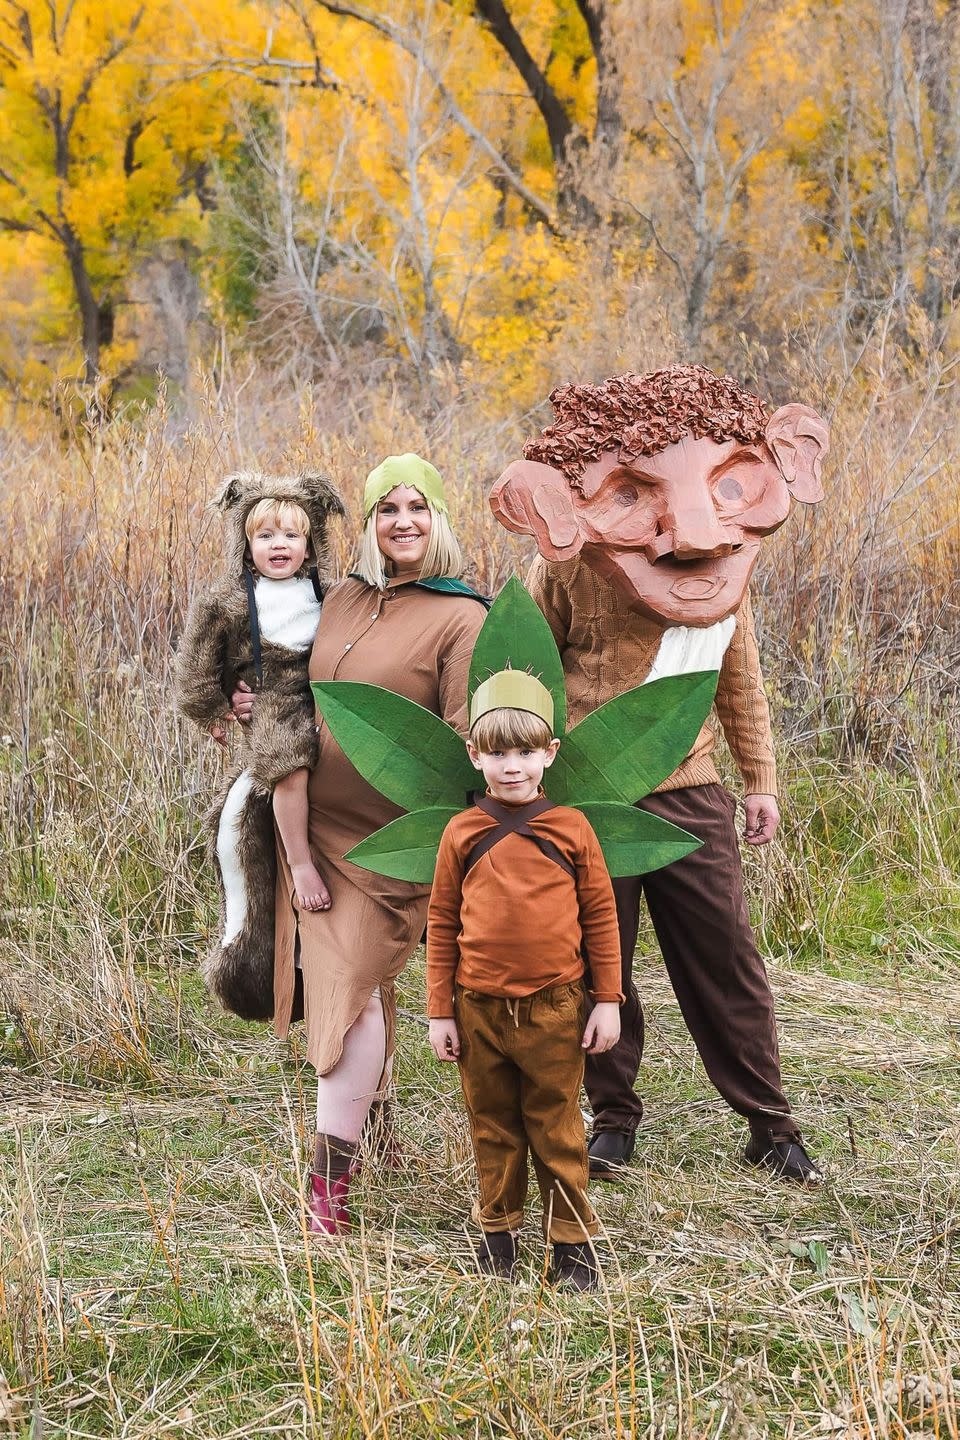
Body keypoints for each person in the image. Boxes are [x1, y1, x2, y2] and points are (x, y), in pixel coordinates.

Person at [490, 366, 829, 1184]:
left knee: (724, 957)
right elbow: (525, 666)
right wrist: (524, 769)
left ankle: (769, 1122)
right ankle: (614, 1117)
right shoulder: (569, 568)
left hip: (690, 792)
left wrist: (761, 781)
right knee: (594, 962)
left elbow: (738, 677)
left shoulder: (729, 569)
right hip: (588, 793)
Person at [230, 453, 487, 1234]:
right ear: (368, 523)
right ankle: (375, 1134)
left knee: (344, 991)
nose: (402, 521)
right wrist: (245, 698)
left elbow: (462, 742)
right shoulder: (338, 597)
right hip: (311, 828)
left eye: (418, 507)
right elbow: (291, 683)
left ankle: (327, 1195)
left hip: (393, 841)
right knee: (355, 985)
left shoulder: (461, 617)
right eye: (386, 508)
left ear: (439, 518)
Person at [426, 672, 623, 1290]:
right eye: (497, 754)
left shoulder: (571, 830)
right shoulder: (462, 833)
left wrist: (608, 1001)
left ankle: (570, 1244)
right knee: (492, 1122)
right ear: (475, 756)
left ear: (550, 754)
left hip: (555, 1006)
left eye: (525, 752)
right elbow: (440, 920)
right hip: (479, 1006)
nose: (512, 767)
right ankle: (498, 1236)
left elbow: (600, 916)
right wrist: (440, 1011)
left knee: (556, 1121)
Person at [176, 470, 345, 1022]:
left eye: (292, 536)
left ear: (310, 543)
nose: (280, 546)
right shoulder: (227, 602)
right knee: (287, 762)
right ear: (246, 544)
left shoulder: (329, 591)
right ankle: (300, 865)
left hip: (320, 688)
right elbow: (198, 667)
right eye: (266, 536)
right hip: (269, 692)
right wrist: (221, 709)